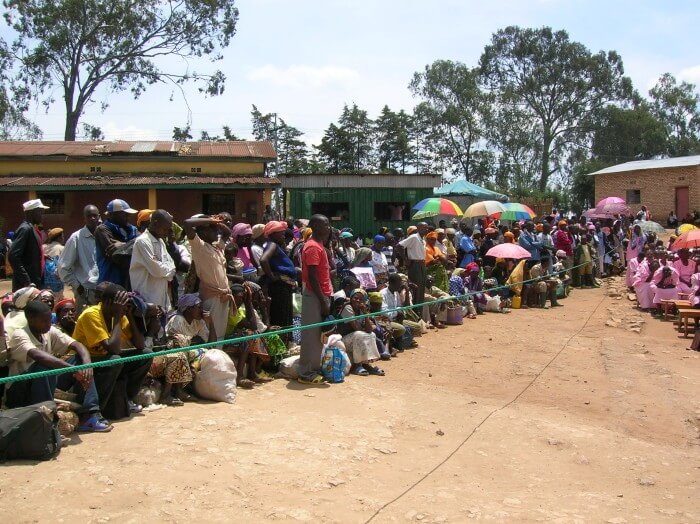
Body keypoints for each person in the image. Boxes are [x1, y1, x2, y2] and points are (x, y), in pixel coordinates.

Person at [6, 301, 112, 432]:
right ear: (31, 320)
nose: (49, 324)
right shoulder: (19, 335)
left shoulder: (48, 331)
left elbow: (77, 345)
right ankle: (47, 421)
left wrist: (87, 366)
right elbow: (38, 356)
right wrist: (74, 370)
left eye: (49, 320)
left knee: (80, 360)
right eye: (44, 321)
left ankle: (89, 414)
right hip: (20, 390)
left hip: (45, 383)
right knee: (44, 366)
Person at [72, 284, 151, 419]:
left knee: (146, 355)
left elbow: (140, 345)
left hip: (105, 358)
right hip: (84, 361)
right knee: (115, 360)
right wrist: (118, 317)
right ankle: (96, 410)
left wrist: (129, 315)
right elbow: (113, 348)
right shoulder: (91, 314)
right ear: (108, 302)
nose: (124, 308)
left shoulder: (119, 314)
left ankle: (128, 398)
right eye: (122, 304)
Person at [183, 215, 232, 343]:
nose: (217, 231)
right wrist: (210, 220)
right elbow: (187, 223)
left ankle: (219, 353)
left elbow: (227, 233)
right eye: (213, 229)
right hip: (211, 297)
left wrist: (218, 223)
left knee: (221, 333)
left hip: (223, 296)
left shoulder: (217, 247)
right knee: (212, 333)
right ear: (203, 232)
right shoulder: (199, 246)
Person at [298, 214, 333, 385]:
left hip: (322, 294)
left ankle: (314, 368)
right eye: (325, 224)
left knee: (320, 336)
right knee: (311, 336)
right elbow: (312, 277)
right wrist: (323, 300)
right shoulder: (312, 247)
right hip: (315, 295)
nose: (328, 227)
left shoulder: (319, 245)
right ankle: (305, 373)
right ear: (316, 227)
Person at [129, 209, 176, 312]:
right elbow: (156, 270)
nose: (167, 233)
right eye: (165, 229)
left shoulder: (161, 241)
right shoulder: (143, 241)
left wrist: (165, 269)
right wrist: (167, 270)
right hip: (147, 301)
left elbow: (172, 266)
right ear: (155, 223)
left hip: (162, 300)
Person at [59, 205, 101, 311]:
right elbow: (63, 267)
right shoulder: (76, 238)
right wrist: (77, 286)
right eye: (89, 216)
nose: (92, 218)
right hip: (85, 292)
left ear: (99, 217)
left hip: (103, 291)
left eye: (94, 215)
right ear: (84, 218)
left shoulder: (104, 236)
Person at [260, 220, 297, 336]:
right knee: (281, 315)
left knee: (284, 314)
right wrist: (272, 276)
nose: (283, 236)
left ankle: (285, 340)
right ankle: (281, 341)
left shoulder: (277, 246)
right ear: (273, 234)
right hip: (278, 286)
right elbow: (263, 260)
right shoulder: (272, 245)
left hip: (283, 285)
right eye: (281, 233)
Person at [338, 289, 384, 376]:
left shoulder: (361, 310)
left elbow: (369, 330)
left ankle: (366, 364)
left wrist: (366, 314)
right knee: (360, 334)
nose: (358, 300)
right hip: (343, 339)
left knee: (372, 335)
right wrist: (364, 330)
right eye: (355, 298)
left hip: (354, 338)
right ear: (351, 298)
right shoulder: (348, 308)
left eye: (361, 299)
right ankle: (357, 366)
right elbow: (357, 328)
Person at [94, 199, 139, 288]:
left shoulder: (132, 229)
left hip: (130, 281)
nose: (128, 216)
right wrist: (132, 247)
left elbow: (141, 244)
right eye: (124, 214)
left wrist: (123, 245)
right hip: (110, 281)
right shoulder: (102, 230)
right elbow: (118, 256)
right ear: (112, 215)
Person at [9, 199, 49, 291]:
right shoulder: (25, 229)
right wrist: (26, 281)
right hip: (26, 286)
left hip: (34, 282)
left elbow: (27, 252)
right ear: (31, 213)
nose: (42, 216)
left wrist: (41, 256)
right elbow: (13, 256)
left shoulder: (31, 228)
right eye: (40, 212)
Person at [398, 222, 429, 322]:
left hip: (422, 264)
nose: (426, 229)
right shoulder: (414, 237)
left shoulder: (423, 239)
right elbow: (399, 246)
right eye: (424, 227)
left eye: (427, 228)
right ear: (418, 228)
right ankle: (415, 316)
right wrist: (405, 259)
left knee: (421, 290)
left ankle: (419, 316)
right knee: (416, 290)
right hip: (415, 265)